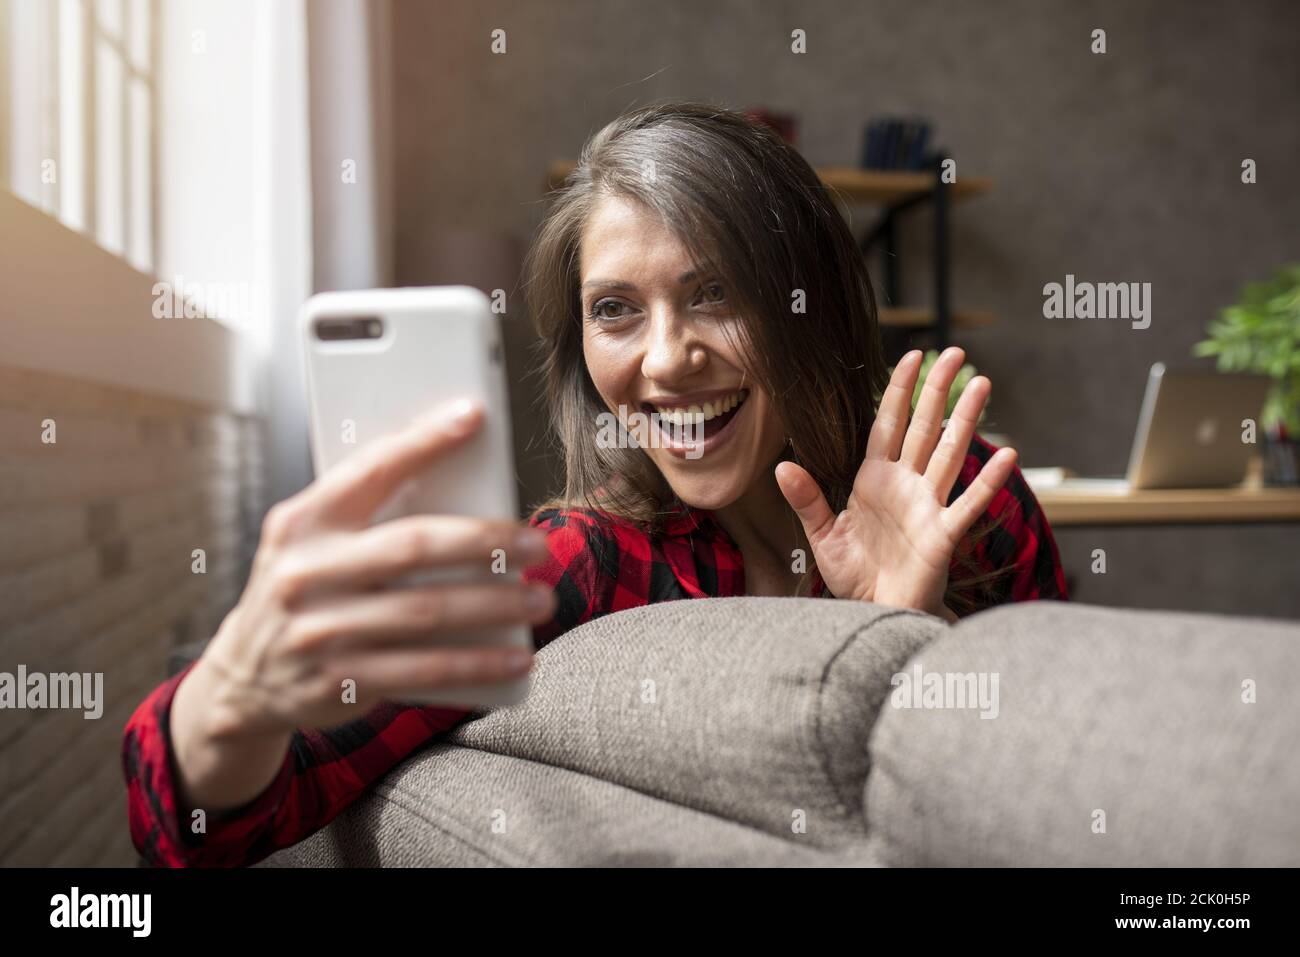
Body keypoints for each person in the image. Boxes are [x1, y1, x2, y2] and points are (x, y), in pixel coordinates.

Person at [123, 101, 1067, 867]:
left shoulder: (965, 502)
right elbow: (208, 830)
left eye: (716, 293)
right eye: (616, 309)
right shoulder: (578, 567)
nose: (666, 359)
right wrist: (232, 691)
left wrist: (910, 637)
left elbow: (1071, 784)